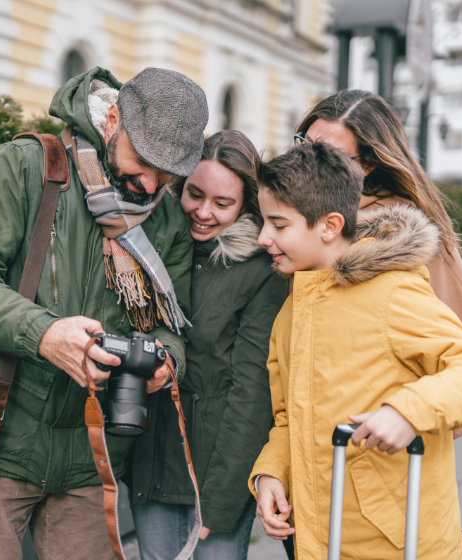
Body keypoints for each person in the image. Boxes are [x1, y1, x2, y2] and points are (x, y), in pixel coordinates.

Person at [0, 67, 208, 560]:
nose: (151, 183)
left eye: (168, 173)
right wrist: (43, 335)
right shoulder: (26, 167)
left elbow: (174, 325)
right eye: (143, 160)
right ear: (113, 120)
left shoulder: (166, 218)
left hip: (92, 459)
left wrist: (166, 360)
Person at [249, 142, 462, 559]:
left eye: (278, 225)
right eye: (264, 222)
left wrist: (408, 411)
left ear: (330, 225)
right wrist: (271, 473)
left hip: (399, 544)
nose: (263, 237)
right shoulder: (290, 312)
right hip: (320, 540)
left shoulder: (393, 291)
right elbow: (288, 418)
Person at [294, 90, 462, 441]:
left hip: (365, 453)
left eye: (330, 155)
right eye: (305, 145)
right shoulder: (278, 217)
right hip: (287, 449)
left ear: (369, 164)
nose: (310, 161)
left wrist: (409, 418)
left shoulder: (407, 239)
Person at [127, 130, 286, 560]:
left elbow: (252, 394)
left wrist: (223, 498)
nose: (203, 212)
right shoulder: (151, 246)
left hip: (216, 475)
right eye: (194, 194)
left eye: (222, 203)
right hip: (153, 461)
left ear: (246, 205)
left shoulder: (261, 271)